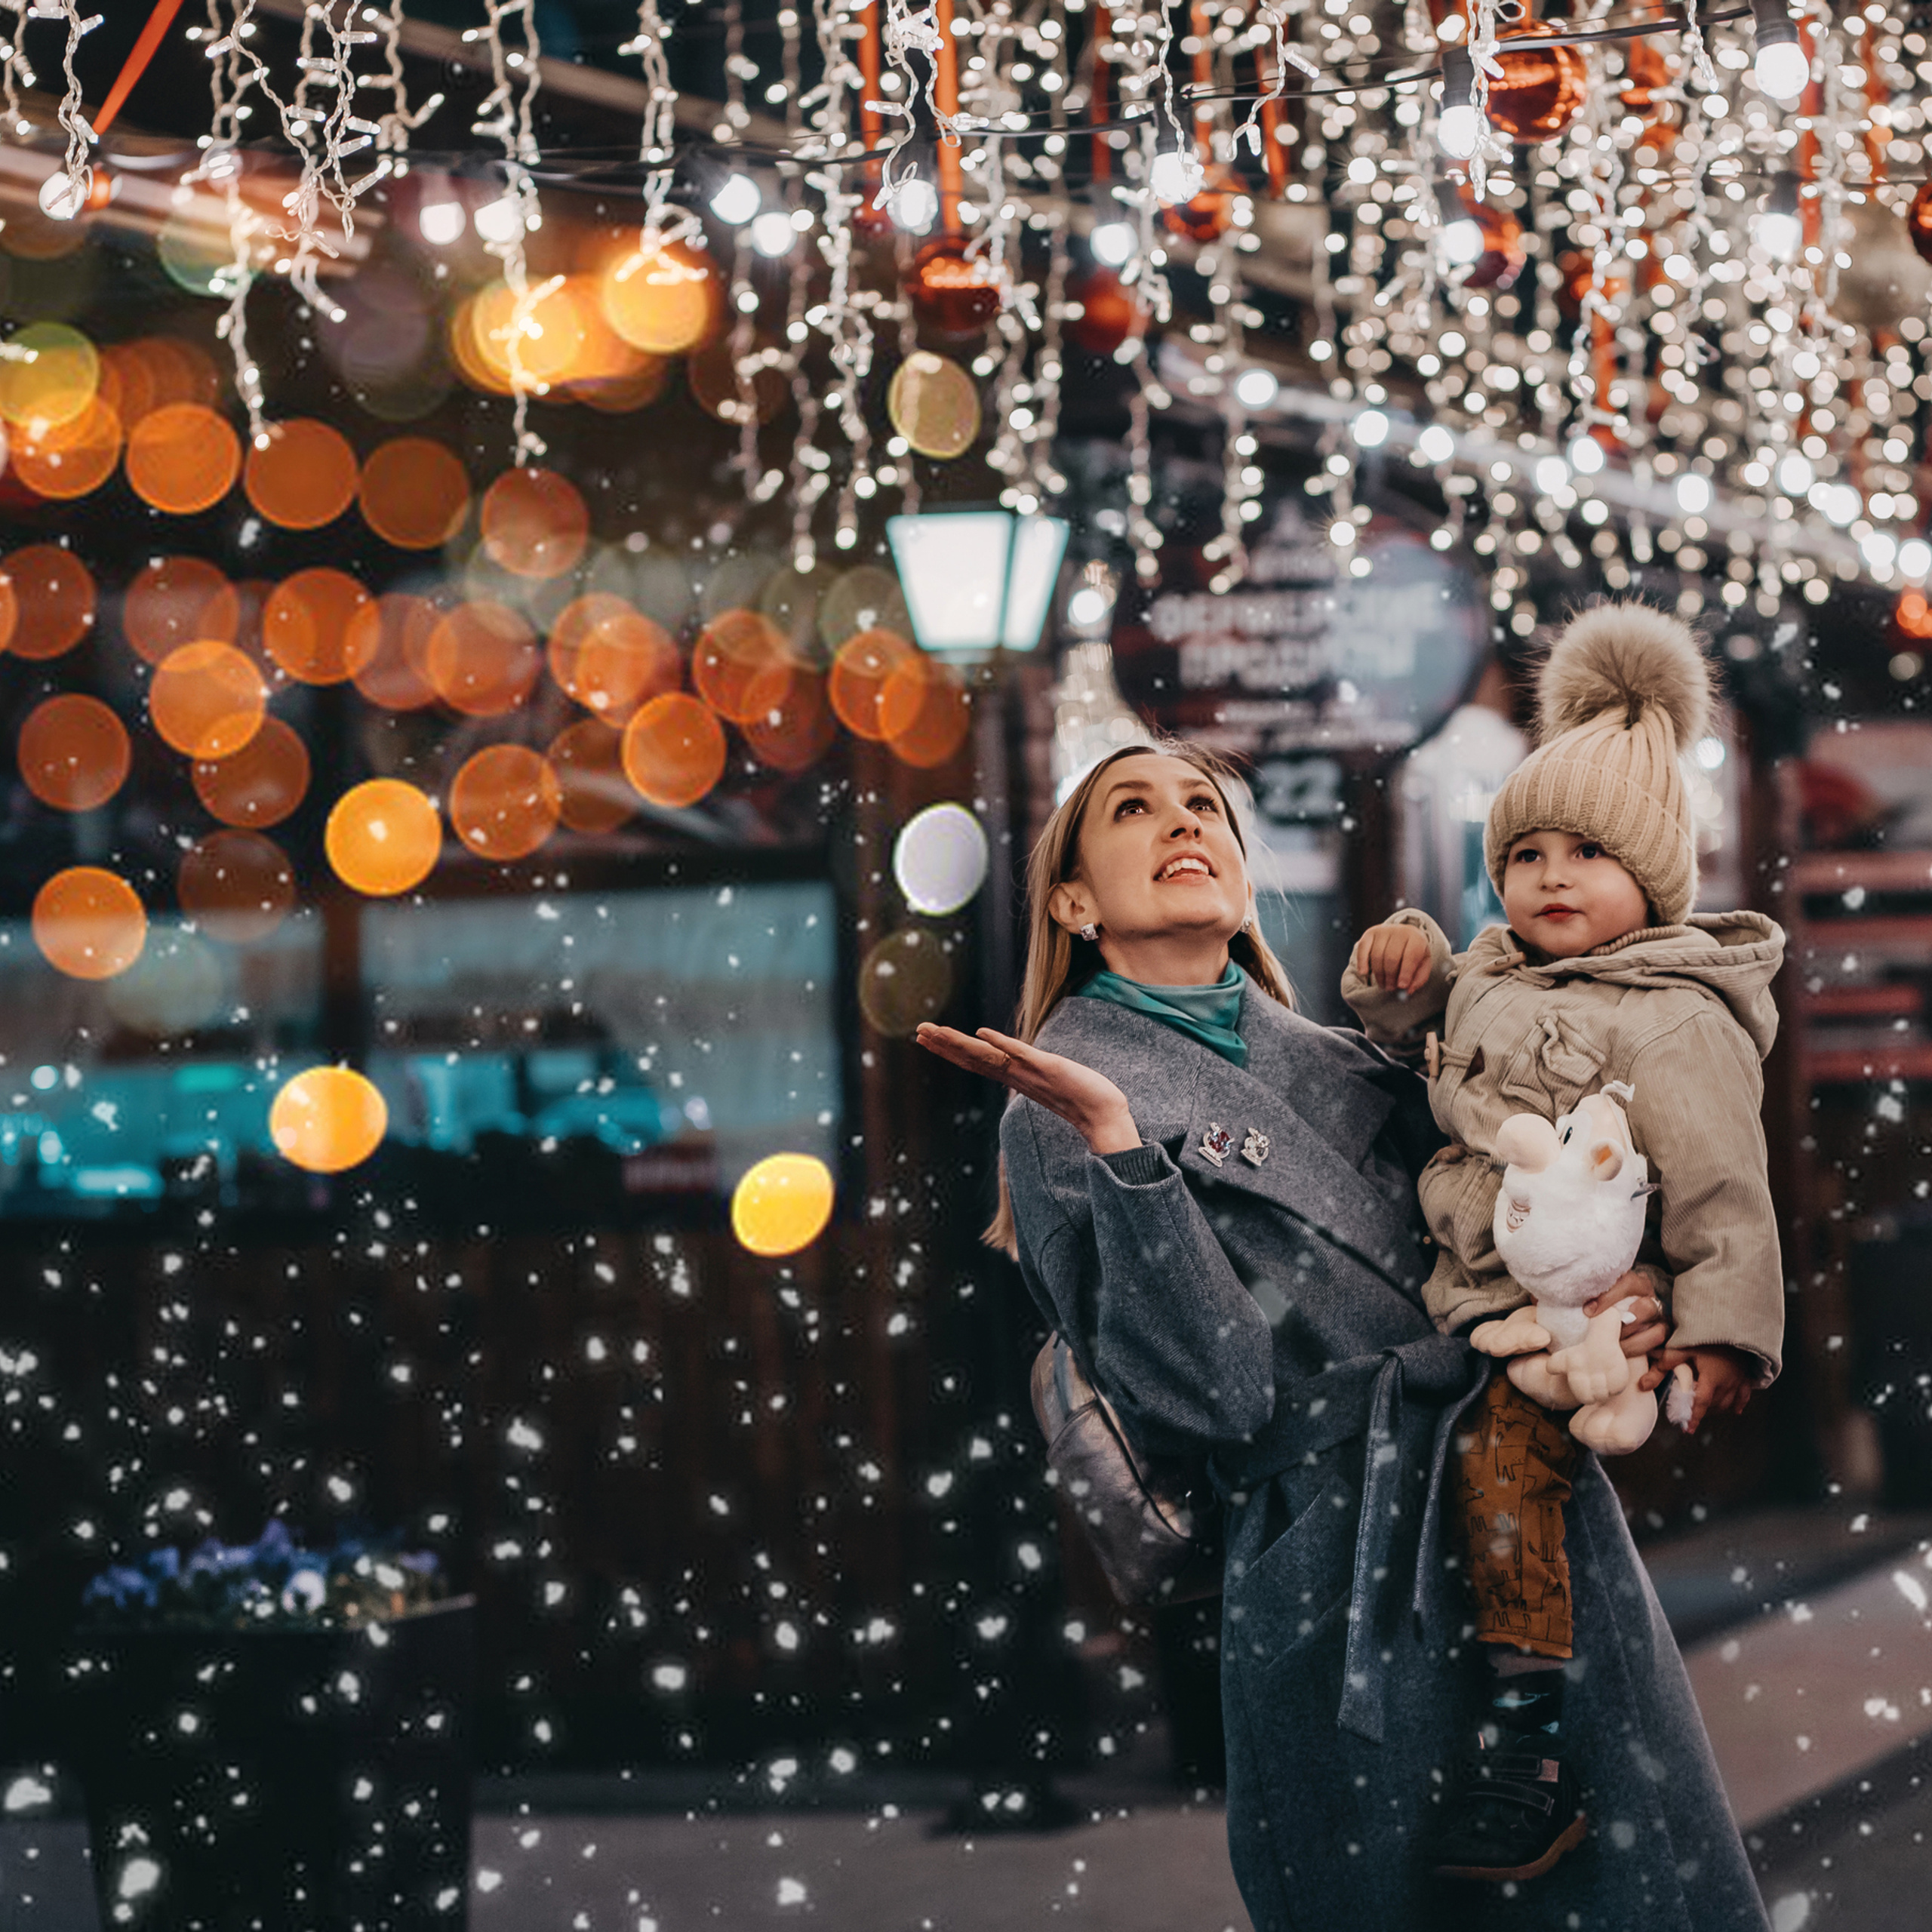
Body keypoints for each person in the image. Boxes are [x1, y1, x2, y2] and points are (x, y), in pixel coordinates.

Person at [917, 738, 1769, 1930]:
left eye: (1204, 806)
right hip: (1330, 1560)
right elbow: (1214, 1397)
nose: (1183, 823)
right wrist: (1124, 1150)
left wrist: (1634, 1288)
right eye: (1134, 809)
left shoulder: (1362, 1059)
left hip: (1518, 1511)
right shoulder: (1064, 1106)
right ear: (1071, 901)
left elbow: (1509, 1228)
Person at [1344, 602, 1785, 1884]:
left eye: (1586, 852)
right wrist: (1398, 982)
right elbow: (1421, 1055)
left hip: (1582, 1315)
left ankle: (1527, 1754)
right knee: (1447, 1490)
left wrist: (1724, 1339)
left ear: (1653, 874)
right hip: (1469, 1295)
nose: (1549, 876)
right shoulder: (1492, 973)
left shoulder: (1672, 1021)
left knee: (1502, 1474)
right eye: (1525, 851)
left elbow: (1725, 1190)